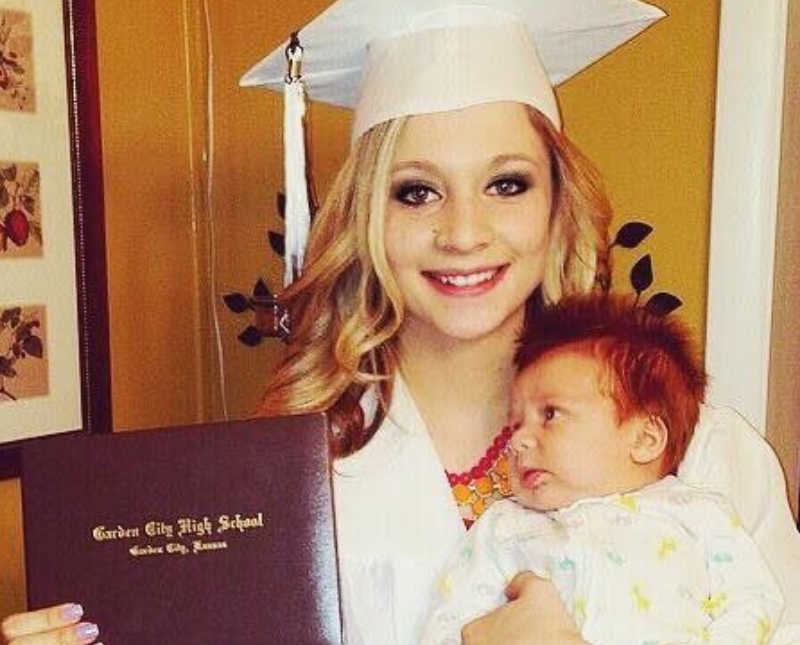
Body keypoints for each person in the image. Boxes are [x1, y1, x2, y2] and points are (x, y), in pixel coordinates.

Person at [4, 2, 800, 644]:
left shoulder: (706, 455)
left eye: (508, 184)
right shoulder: (287, 481)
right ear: (365, 218)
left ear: (559, 205)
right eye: (416, 191)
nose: (462, 232)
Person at [421, 293, 783, 644]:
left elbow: (754, 600)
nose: (518, 441)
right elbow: (451, 624)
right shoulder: (505, 528)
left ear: (645, 439)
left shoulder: (699, 515)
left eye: (550, 415)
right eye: (516, 424)